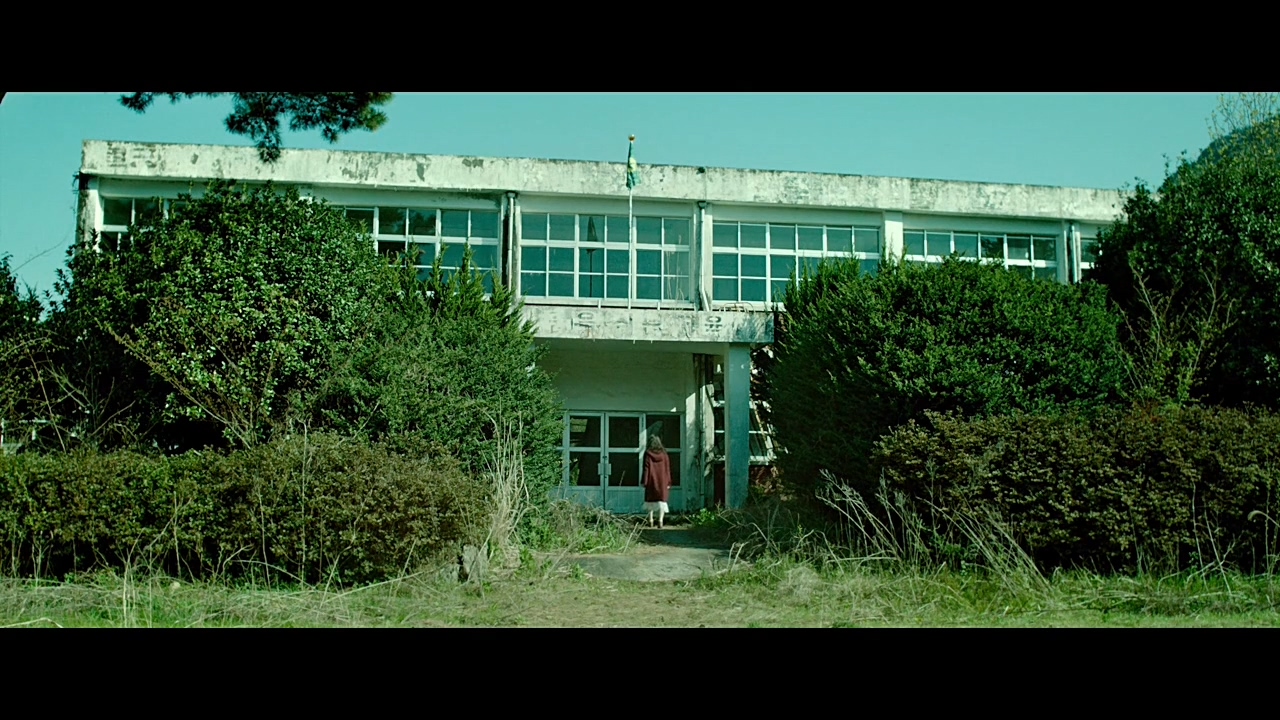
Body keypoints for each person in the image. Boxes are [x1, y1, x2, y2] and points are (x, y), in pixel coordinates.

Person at [642, 434, 672, 528]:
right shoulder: (664, 455)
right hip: (662, 481)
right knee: (662, 501)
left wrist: (644, 481)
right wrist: (668, 481)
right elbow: (667, 469)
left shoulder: (647, 454)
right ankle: (660, 521)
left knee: (650, 501)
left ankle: (650, 520)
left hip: (651, 481)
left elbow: (646, 468)